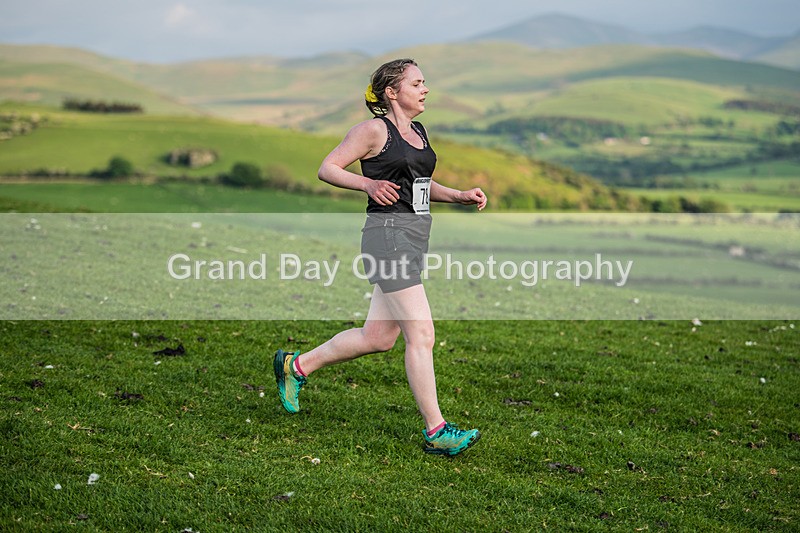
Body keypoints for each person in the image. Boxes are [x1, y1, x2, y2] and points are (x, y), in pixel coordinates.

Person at [274, 58, 487, 456]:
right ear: (392, 92)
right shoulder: (373, 130)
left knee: (378, 338)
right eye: (417, 83)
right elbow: (328, 168)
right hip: (387, 238)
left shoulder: (419, 131)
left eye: (426, 82)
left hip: (413, 236)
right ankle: (436, 430)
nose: (425, 89)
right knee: (421, 334)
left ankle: (295, 366)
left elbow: (419, 185)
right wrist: (368, 184)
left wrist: (458, 195)